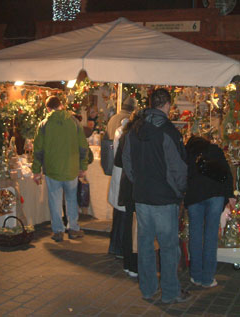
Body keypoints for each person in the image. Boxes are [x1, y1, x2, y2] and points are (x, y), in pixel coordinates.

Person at [122, 88, 190, 304]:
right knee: (169, 247)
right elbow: (178, 167)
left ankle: (148, 289)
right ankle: (170, 291)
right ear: (167, 105)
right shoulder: (169, 131)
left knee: (144, 245)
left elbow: (127, 162)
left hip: (142, 196)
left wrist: (139, 183)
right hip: (164, 197)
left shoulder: (135, 129)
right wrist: (179, 191)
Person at [32, 95, 89, 242]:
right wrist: (83, 166)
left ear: (48, 108)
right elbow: (83, 146)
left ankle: (58, 231)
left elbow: (38, 150)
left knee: (54, 201)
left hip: (52, 170)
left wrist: (36, 170)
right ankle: (74, 228)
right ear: (61, 106)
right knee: (72, 200)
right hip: (71, 169)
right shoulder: (74, 122)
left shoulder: (43, 124)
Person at [184, 135, 235, 288]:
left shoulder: (187, 154)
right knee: (211, 236)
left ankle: (196, 275)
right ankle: (208, 278)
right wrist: (229, 195)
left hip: (194, 197)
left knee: (196, 236)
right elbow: (226, 173)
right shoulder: (215, 150)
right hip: (215, 195)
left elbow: (182, 175)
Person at [107, 97, 135, 258]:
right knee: (123, 216)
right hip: (123, 177)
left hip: (119, 174)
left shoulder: (119, 130)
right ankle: (118, 248)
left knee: (118, 215)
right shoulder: (127, 135)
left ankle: (115, 246)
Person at [114, 111, 140, 278]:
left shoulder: (125, 135)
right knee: (135, 227)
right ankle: (134, 265)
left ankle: (127, 263)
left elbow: (117, 161)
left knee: (128, 223)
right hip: (136, 186)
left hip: (127, 184)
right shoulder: (138, 137)